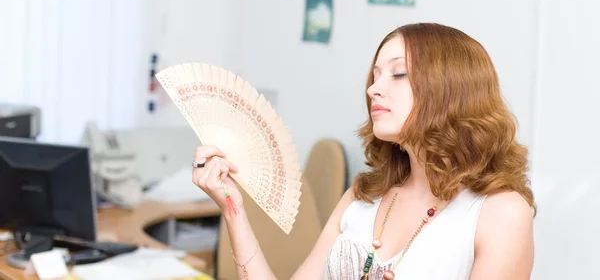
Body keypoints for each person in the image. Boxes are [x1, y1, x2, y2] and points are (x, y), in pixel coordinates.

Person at [191, 22, 536, 280]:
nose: (373, 88)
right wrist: (232, 207)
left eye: (398, 74)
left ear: (452, 91)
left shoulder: (499, 213)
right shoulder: (362, 196)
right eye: (375, 75)